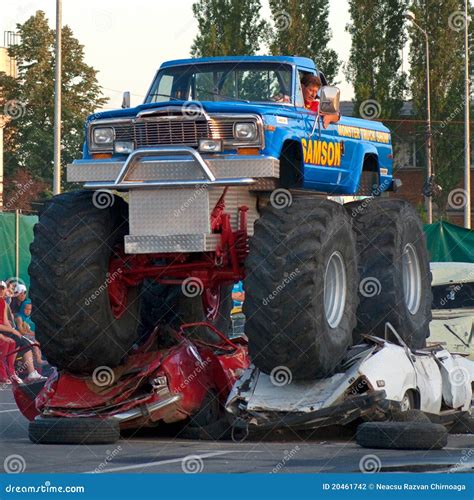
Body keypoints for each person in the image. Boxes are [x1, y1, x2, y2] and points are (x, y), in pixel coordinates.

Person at [0, 281, 45, 383]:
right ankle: (10, 372)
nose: (1, 291)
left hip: (4, 329)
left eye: (2, 288)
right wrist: (13, 330)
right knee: (14, 340)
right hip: (2, 330)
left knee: (24, 342)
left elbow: (5, 321)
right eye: (0, 289)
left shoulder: (2, 302)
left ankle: (30, 373)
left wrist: (13, 330)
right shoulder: (10, 307)